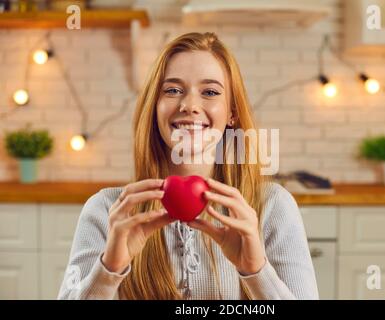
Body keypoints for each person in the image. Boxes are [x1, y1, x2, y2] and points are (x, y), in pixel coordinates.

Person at [58, 32, 318, 300]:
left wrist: (255, 271)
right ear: (154, 107)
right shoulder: (107, 211)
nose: (189, 105)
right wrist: (108, 270)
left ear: (232, 113)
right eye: (172, 90)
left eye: (210, 92)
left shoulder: (272, 206)